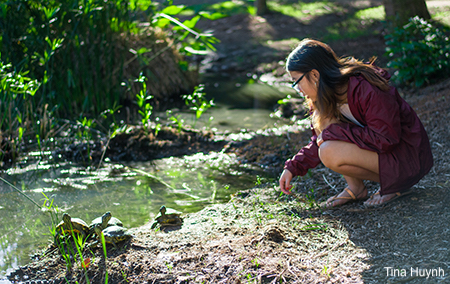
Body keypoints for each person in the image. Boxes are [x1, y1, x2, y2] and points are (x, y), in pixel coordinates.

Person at [278, 38, 433, 208]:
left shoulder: (365, 88)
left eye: (296, 81)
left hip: (407, 158)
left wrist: (336, 132)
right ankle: (356, 188)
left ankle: (397, 185)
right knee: (324, 125)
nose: (298, 89)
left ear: (314, 75)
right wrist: (293, 167)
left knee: (329, 150)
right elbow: (320, 138)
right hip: (386, 157)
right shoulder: (325, 97)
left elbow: (386, 138)